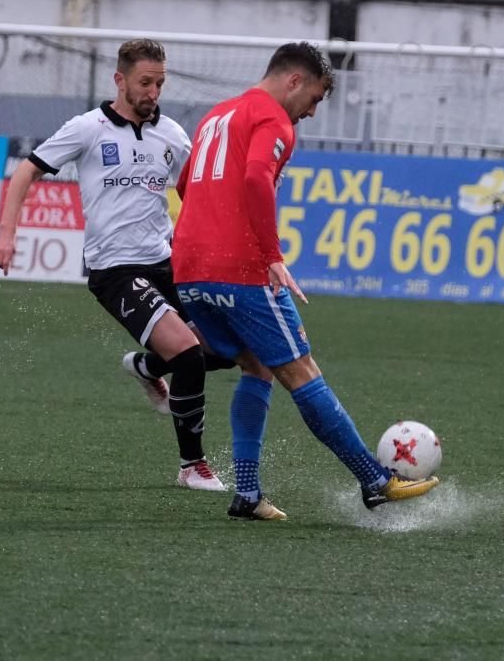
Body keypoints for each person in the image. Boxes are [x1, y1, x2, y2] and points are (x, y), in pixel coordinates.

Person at [171, 42, 440, 520]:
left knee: (256, 367)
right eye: (315, 99)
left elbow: (186, 184)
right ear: (294, 80)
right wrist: (271, 255)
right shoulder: (273, 119)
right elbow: (255, 177)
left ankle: (248, 493)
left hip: (190, 271)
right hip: (240, 269)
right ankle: (376, 481)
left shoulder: (218, 114)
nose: (312, 112)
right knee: (302, 372)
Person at [0, 38, 230, 492]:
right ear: (120, 80)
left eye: (159, 83)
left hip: (167, 264)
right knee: (189, 355)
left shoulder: (173, 135)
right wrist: (6, 232)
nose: (153, 91)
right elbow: (26, 171)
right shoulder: (88, 128)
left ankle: (147, 368)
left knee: (227, 348)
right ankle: (191, 467)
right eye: (145, 82)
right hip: (115, 271)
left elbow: (196, 197)